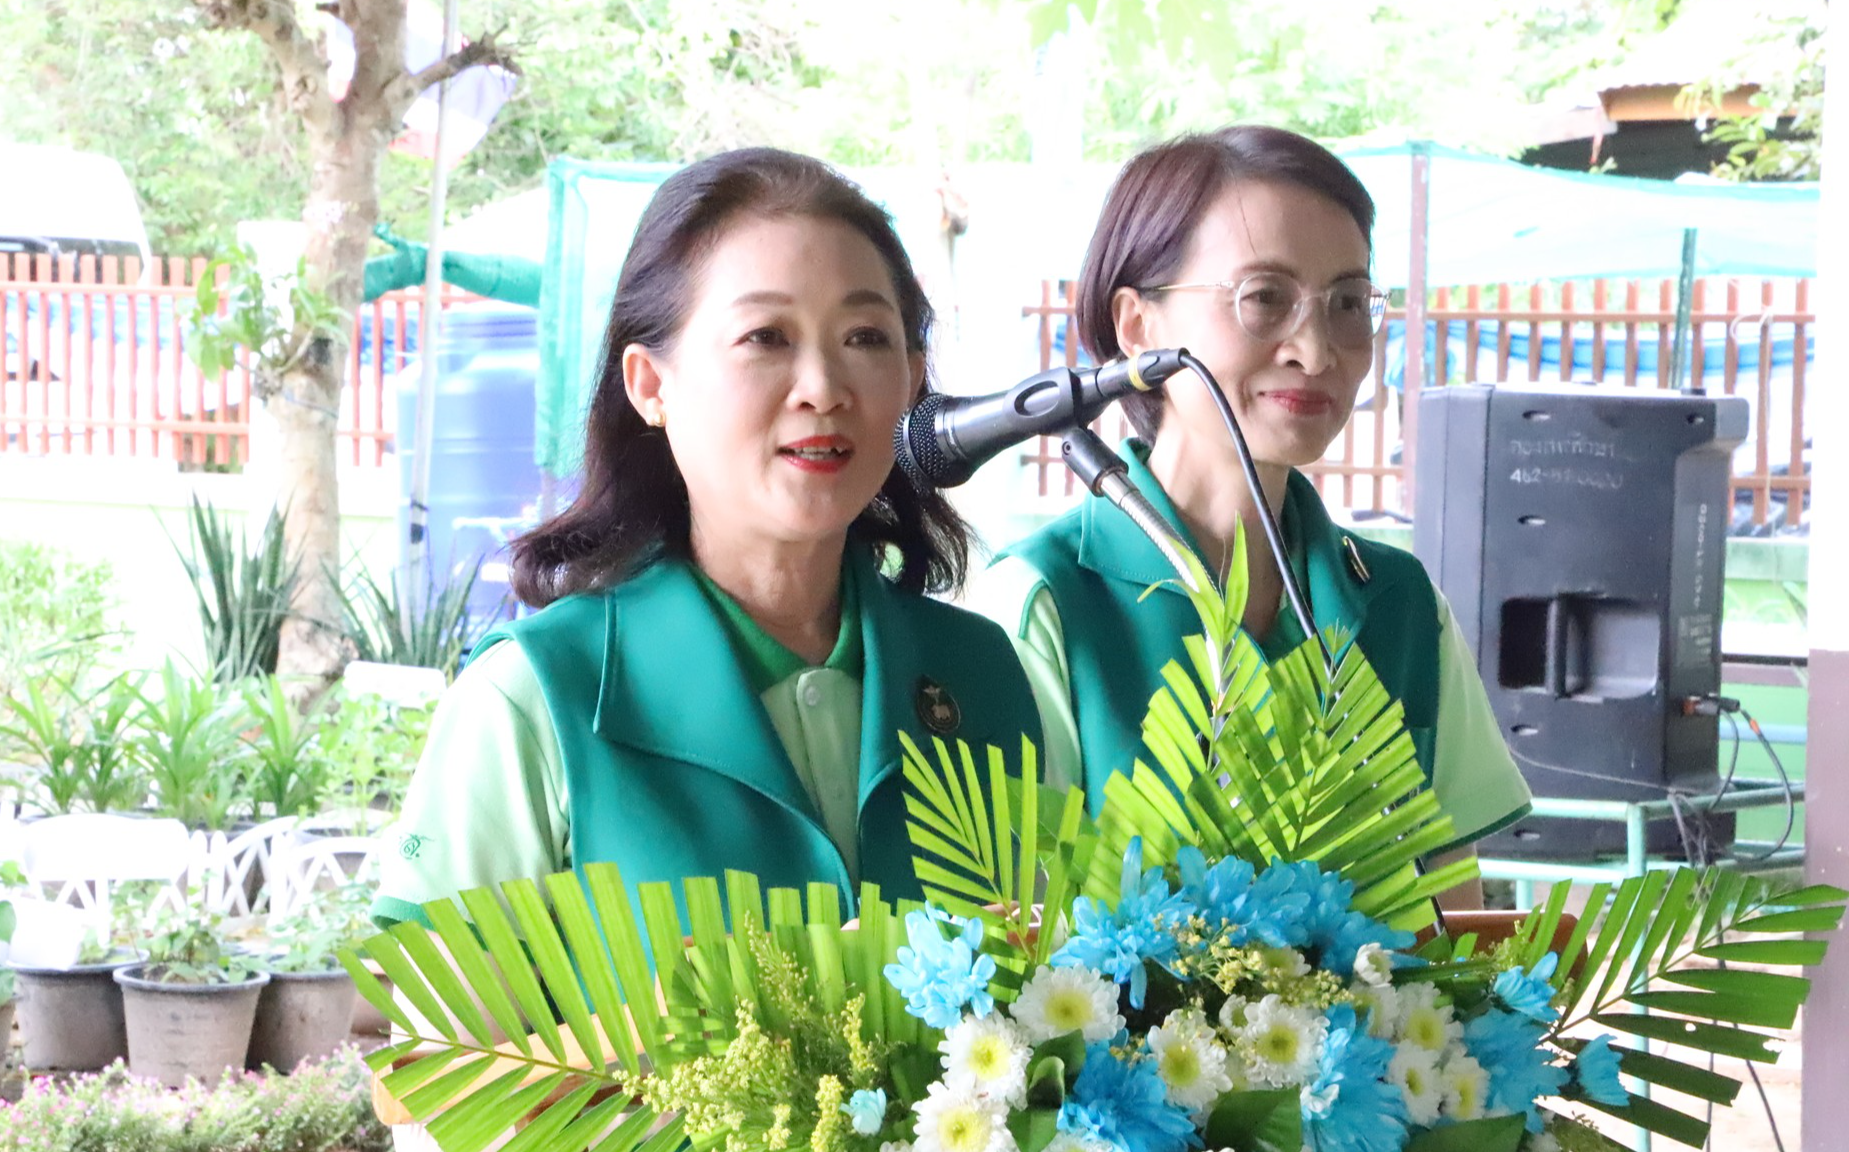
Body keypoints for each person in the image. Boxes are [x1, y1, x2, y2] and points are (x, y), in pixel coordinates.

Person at [373, 148, 1042, 931]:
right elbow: (434, 1043)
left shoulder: (980, 674)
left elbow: (1046, 997)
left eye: (864, 337)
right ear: (651, 385)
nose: (823, 387)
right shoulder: (535, 698)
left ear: (912, 381)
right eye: (765, 336)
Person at [974, 127, 1530, 906]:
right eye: (1264, 298)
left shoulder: (1402, 605)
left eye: (1348, 304)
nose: (1316, 348)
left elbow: (1450, 917)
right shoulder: (1045, 602)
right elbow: (1012, 949)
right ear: (1138, 327)